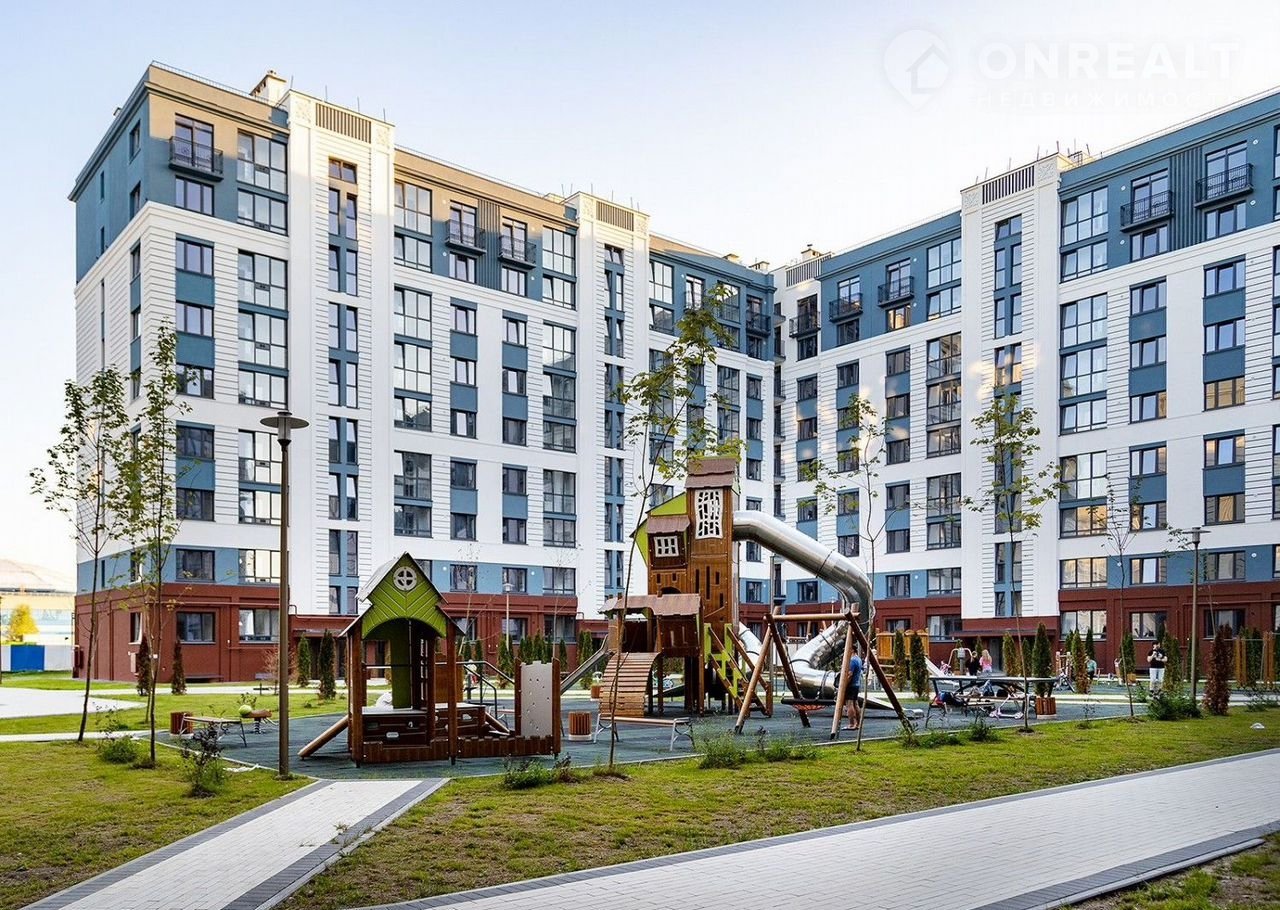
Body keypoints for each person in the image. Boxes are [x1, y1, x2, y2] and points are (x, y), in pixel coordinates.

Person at [843, 646, 864, 731]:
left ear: (852, 650)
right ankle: (858, 724)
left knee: (849, 704)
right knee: (855, 703)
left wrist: (845, 685)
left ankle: (851, 724)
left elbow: (850, 674)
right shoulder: (858, 659)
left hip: (851, 685)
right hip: (856, 684)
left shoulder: (852, 660)